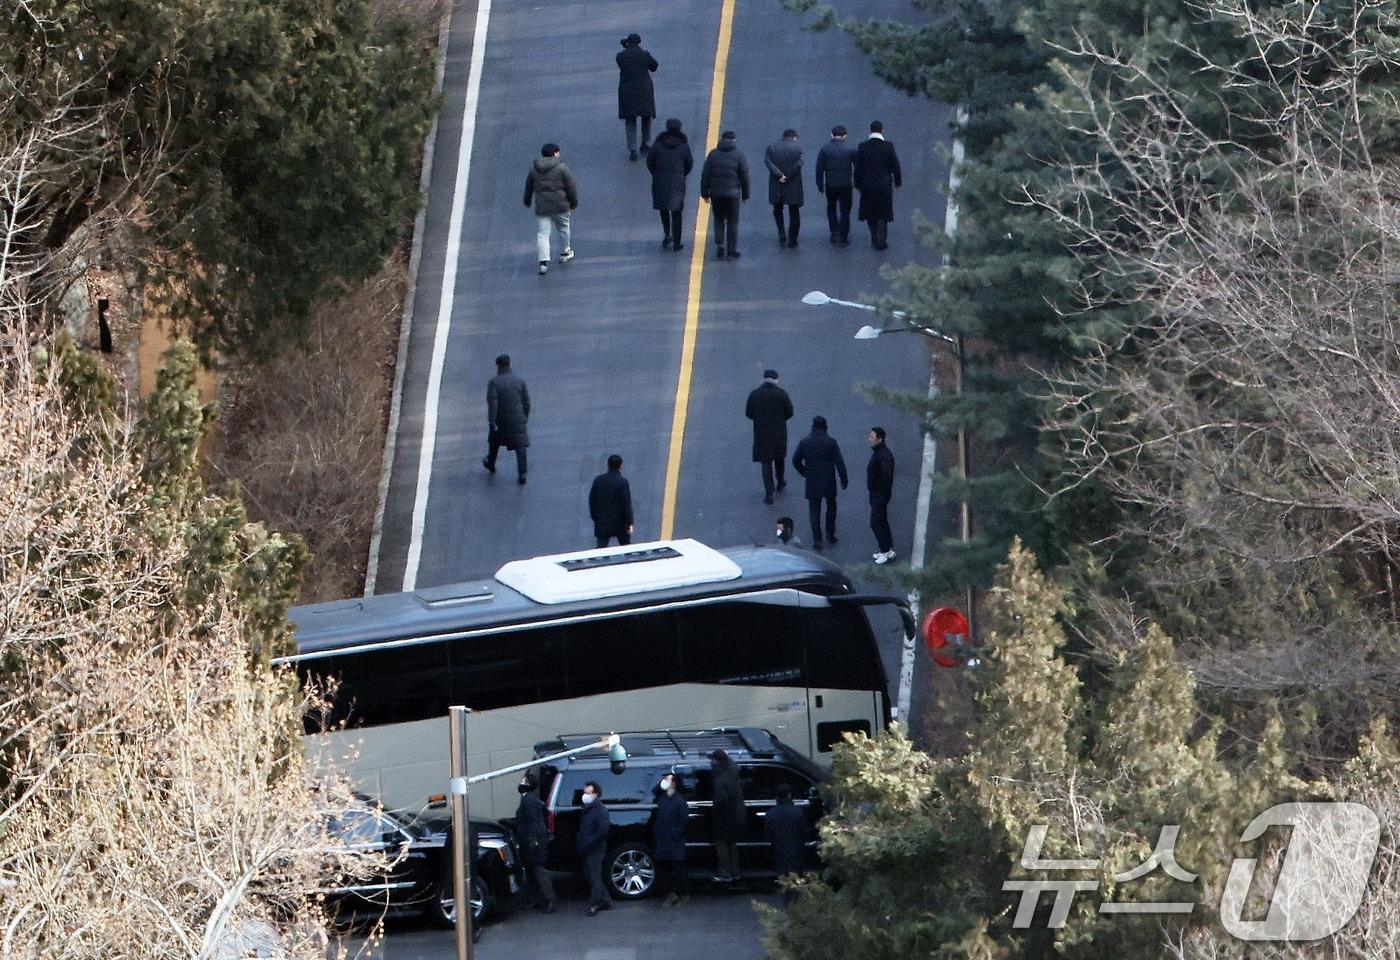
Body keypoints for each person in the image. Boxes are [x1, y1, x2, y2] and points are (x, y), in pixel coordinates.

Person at [792, 415, 848, 550]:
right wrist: (843, 478)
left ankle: (817, 539)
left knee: (814, 511)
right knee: (831, 506)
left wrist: (805, 473)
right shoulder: (831, 442)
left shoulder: (805, 442)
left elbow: (795, 460)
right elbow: (839, 462)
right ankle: (830, 533)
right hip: (829, 480)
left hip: (812, 481)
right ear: (825, 426)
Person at [523, 143, 578, 275]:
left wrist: (527, 200)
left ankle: (543, 262)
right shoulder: (562, 168)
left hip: (542, 206)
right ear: (555, 153)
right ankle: (565, 251)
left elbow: (529, 186)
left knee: (543, 233)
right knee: (563, 228)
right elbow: (571, 186)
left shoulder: (534, 168)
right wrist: (573, 202)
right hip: (561, 205)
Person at [746, 369, 794, 504]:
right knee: (779, 458)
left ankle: (769, 492)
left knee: (766, 462)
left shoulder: (755, 394)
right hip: (778, 432)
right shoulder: (781, 394)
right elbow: (790, 412)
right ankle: (780, 481)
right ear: (776, 380)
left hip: (762, 433)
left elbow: (749, 413)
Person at [700, 131, 749, 260]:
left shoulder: (713, 155)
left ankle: (720, 243)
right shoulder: (739, 155)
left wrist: (704, 193)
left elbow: (705, 175)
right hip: (732, 195)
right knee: (732, 222)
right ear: (734, 140)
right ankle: (731, 251)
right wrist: (745, 195)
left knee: (718, 219)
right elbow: (744, 176)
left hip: (716, 194)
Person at [482, 354, 530, 484]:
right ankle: (523, 472)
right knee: (520, 446)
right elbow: (526, 402)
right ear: (509, 365)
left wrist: (492, 421)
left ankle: (491, 462)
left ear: (498, 366)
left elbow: (493, 403)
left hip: (501, 421)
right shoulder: (520, 382)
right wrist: (524, 417)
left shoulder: (494, 383)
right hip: (518, 419)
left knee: (494, 441)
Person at [854, 120, 901, 250]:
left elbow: (858, 168)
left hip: (867, 185)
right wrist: (898, 182)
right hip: (884, 184)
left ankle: (874, 236)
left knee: (870, 212)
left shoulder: (862, 146)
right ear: (882, 130)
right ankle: (882, 239)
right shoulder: (888, 146)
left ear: (870, 131)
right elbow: (895, 166)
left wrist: (857, 184)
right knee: (883, 213)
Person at [647, 118, 693, 251]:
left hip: (660, 180)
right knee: (677, 212)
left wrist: (656, 173)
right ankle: (677, 242)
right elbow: (689, 164)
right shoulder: (684, 146)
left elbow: (650, 161)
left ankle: (667, 233)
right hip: (677, 183)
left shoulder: (658, 144)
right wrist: (682, 174)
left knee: (663, 208)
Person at [764, 783, 813, 906]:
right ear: (790, 796)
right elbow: (805, 831)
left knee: (784, 878)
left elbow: (768, 835)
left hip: (779, 851)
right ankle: (797, 904)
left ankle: (788, 903)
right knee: (797, 879)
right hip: (797, 850)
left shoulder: (770, 814)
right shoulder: (798, 812)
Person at [513, 775, 556, 912]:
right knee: (532, 871)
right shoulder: (528, 799)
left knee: (537, 869)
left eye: (523, 781)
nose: (521, 783)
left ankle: (549, 898)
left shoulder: (529, 801)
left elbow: (532, 822)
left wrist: (533, 841)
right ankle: (538, 899)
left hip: (533, 841)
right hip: (531, 840)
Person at [616, 33, 658, 161]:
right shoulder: (644, 55)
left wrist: (626, 48)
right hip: (644, 90)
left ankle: (632, 149)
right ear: (639, 43)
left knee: (630, 120)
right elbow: (654, 66)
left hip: (627, 91)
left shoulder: (621, 56)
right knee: (646, 116)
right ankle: (645, 143)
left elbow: (622, 62)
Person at [651, 772, 689, 906]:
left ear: (674, 783)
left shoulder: (679, 800)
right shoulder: (661, 798)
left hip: (674, 840)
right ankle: (669, 894)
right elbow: (654, 790)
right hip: (662, 838)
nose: (664, 781)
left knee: (678, 869)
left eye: (668, 779)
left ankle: (683, 895)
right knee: (664, 870)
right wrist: (663, 782)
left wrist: (675, 834)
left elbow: (684, 821)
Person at [814, 125, 856, 244]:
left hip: (831, 185)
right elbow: (859, 165)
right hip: (846, 184)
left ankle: (834, 232)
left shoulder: (825, 149)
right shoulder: (850, 149)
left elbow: (819, 169)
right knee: (845, 211)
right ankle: (844, 235)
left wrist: (820, 184)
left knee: (831, 208)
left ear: (832, 135)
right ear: (845, 136)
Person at [576, 781, 612, 916]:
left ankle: (595, 903)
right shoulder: (589, 809)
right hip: (588, 848)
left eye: (588, 793)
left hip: (595, 849)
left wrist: (589, 842)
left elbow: (603, 830)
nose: (585, 795)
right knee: (591, 875)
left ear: (595, 794)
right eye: (584, 792)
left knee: (594, 877)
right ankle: (606, 900)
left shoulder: (599, 810)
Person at [709, 749, 745, 882]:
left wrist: (714, 810)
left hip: (723, 820)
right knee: (732, 846)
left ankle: (725, 873)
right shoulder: (732, 773)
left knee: (722, 847)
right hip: (736, 817)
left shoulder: (720, 781)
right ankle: (735, 872)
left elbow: (720, 803)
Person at [764, 129, 804, 247]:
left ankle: (781, 232)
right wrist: (788, 176)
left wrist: (779, 175)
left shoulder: (772, 147)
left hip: (777, 183)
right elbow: (799, 164)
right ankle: (793, 239)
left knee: (777, 209)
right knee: (794, 211)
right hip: (793, 183)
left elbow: (768, 162)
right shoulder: (798, 148)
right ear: (794, 137)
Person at [588, 454, 634, 547]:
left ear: (608, 465)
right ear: (621, 466)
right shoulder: (622, 482)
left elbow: (592, 500)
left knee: (601, 549)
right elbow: (626, 504)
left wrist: (595, 517)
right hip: (620, 523)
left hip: (602, 522)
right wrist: (630, 522)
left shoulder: (598, 480)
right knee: (626, 547)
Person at [867, 426, 895, 563]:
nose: (870, 439)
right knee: (882, 520)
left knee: (876, 522)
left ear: (880, 439)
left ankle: (885, 550)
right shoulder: (881, 453)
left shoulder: (883, 455)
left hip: (879, 494)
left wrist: (879, 491)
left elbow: (886, 476)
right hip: (878, 493)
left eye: (872, 437)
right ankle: (887, 548)